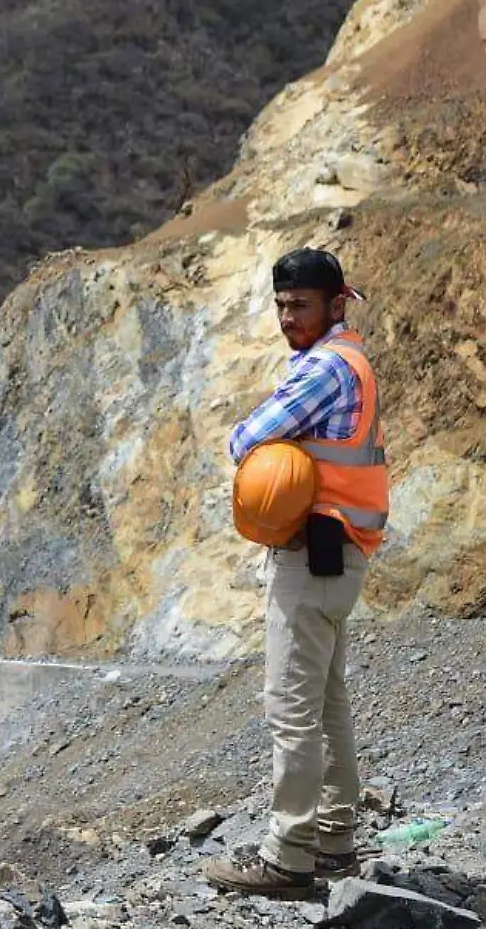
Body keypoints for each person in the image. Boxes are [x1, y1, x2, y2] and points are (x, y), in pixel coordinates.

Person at [201, 246, 391, 898]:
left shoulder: (325, 370)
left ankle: (288, 856)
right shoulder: (352, 360)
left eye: (300, 305)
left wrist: (255, 444)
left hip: (313, 559)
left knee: (291, 708)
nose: (288, 317)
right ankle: (335, 842)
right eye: (281, 305)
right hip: (340, 556)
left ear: (337, 303)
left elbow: (248, 437)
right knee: (328, 703)